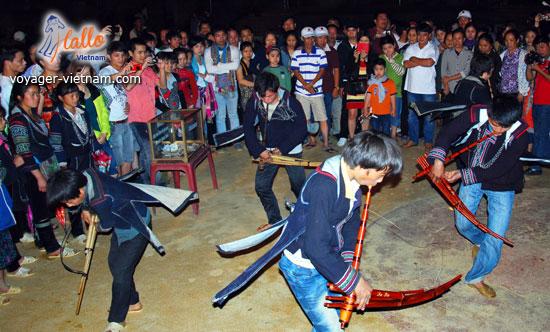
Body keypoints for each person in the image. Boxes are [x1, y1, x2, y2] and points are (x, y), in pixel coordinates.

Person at [213, 131, 403, 332]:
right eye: (380, 175)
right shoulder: (324, 186)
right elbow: (315, 247)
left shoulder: (351, 176)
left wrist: (347, 258)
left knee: (336, 316)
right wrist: (354, 280)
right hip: (302, 267)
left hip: (329, 258)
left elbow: (351, 219)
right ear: (363, 167)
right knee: (330, 327)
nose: (381, 182)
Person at [46, 167, 194, 332]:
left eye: (68, 201)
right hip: (121, 222)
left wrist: (91, 220)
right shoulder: (86, 174)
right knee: (115, 263)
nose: (68, 205)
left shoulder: (99, 200)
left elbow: (106, 226)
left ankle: (116, 321)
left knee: (121, 272)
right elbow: (91, 202)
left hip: (135, 225)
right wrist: (86, 209)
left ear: (80, 190)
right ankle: (132, 302)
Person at [428, 97, 528, 298]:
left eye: (502, 127)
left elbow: (501, 167)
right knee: (463, 223)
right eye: (493, 124)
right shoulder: (478, 113)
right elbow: (449, 132)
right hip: (472, 178)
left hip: (502, 183)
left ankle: (477, 276)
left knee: (496, 235)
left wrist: (461, 175)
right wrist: (438, 160)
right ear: (490, 113)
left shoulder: (521, 133)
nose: (497, 130)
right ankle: (482, 243)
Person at [8, 82, 79, 258]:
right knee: (40, 209)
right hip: (33, 170)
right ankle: (52, 248)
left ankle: (42, 240)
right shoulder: (17, 120)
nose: (35, 97)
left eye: (36, 93)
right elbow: (24, 151)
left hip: (43, 166)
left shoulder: (30, 115)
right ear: (19, 97)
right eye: (31, 94)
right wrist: (39, 177)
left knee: (43, 206)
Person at [243, 72, 307, 230]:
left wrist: (283, 148)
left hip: (290, 148)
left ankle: (308, 213)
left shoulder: (290, 101)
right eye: (263, 96)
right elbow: (247, 128)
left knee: (298, 184)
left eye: (270, 96)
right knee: (261, 186)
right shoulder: (256, 99)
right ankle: (275, 220)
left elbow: (301, 129)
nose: (266, 100)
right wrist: (259, 150)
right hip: (267, 150)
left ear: (277, 90)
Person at [291, 27, 333, 152]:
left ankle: (326, 143)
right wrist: (305, 85)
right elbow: (295, 70)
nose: (309, 40)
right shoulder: (297, 53)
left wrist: (311, 84)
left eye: (311, 38)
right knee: (305, 118)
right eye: (307, 38)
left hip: (316, 91)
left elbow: (322, 70)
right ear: (302, 38)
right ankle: (312, 140)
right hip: (301, 91)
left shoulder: (320, 52)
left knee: (322, 118)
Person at [125, 38, 161, 184]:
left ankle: (150, 183)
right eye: (138, 52)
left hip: (151, 115)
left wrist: (162, 68)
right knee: (149, 152)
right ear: (130, 53)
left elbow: (161, 85)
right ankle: (154, 184)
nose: (142, 55)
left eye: (144, 52)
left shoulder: (149, 70)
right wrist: (141, 68)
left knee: (151, 152)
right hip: (137, 118)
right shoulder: (127, 69)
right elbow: (128, 86)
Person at [97, 42, 135, 177]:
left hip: (125, 120)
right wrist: (121, 73)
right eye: (116, 55)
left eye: (123, 55)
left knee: (128, 159)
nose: (121, 58)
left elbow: (124, 91)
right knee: (119, 163)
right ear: (109, 57)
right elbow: (102, 81)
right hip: (113, 124)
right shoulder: (105, 71)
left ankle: (128, 188)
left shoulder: (120, 72)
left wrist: (126, 103)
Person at [403, 23, 439, 151]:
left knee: (429, 116)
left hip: (428, 89)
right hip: (412, 88)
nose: (421, 37)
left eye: (425, 35)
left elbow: (430, 62)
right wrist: (420, 61)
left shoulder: (433, 48)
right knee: (412, 115)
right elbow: (406, 64)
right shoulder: (410, 48)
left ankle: (428, 141)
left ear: (429, 36)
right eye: (419, 35)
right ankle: (413, 139)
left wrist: (414, 59)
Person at [204, 27, 241, 139]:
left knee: (233, 114)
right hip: (216, 88)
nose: (221, 38)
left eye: (223, 35)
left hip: (231, 87)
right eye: (217, 35)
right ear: (214, 37)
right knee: (221, 116)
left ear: (226, 36)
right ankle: (223, 141)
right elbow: (210, 69)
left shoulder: (234, 50)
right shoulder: (208, 51)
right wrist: (226, 67)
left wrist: (218, 66)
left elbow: (235, 66)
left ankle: (236, 139)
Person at [525, 36, 550, 175]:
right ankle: (537, 164)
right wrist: (530, 67)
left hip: (547, 103)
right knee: (538, 134)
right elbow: (530, 78)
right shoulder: (539, 61)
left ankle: (536, 165)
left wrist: (539, 69)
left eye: (543, 46)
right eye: (538, 47)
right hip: (538, 102)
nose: (540, 50)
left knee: (541, 134)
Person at [343, 34, 373, 141]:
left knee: (365, 113)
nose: (364, 43)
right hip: (353, 87)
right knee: (352, 113)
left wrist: (365, 60)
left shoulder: (373, 54)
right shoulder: (352, 53)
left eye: (366, 41)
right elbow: (347, 71)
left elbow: (375, 71)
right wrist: (355, 60)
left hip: (367, 87)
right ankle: (351, 138)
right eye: (362, 40)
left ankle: (364, 137)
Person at [315, 26, 340, 133]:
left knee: (327, 112)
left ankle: (325, 135)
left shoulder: (332, 51)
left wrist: (336, 87)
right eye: (320, 38)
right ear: (315, 39)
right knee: (313, 113)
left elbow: (336, 70)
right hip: (314, 88)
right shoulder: (310, 51)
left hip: (327, 87)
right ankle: (313, 135)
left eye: (325, 38)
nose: (323, 40)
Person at [380, 36, 405, 139]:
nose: (387, 50)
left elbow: (401, 72)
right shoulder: (381, 58)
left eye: (390, 47)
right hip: (383, 93)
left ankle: (393, 136)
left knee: (395, 115)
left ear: (394, 46)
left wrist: (391, 60)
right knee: (385, 115)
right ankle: (384, 137)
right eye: (385, 48)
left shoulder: (400, 57)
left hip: (397, 93)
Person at [363, 59, 396, 136]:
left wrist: (394, 108)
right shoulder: (371, 83)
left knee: (386, 132)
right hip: (374, 112)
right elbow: (368, 96)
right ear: (373, 70)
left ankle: (386, 147)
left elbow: (393, 96)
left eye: (381, 69)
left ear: (385, 69)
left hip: (386, 112)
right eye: (376, 69)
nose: (378, 71)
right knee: (375, 132)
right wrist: (365, 108)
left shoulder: (390, 83)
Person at [498, 29, 529, 102]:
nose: (508, 43)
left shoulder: (523, 55)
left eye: (511, 40)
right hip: (504, 92)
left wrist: (522, 92)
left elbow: (525, 75)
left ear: (517, 40)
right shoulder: (503, 55)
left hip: (516, 93)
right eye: (506, 40)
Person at [441, 29, 473, 96]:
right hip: (449, 87)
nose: (457, 41)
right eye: (454, 38)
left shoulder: (470, 54)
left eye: (459, 38)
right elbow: (443, 71)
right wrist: (446, 86)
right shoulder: (447, 52)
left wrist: (449, 79)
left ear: (464, 39)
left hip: (464, 87)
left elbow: (465, 72)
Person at [0, 47, 27, 115]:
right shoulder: (7, 87)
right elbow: (5, 114)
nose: (25, 62)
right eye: (20, 60)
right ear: (7, 63)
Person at [237, 42, 257, 111]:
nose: (249, 53)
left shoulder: (254, 63)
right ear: (241, 52)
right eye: (246, 51)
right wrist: (256, 85)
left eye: (250, 51)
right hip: (245, 95)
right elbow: (241, 81)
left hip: (255, 94)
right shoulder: (239, 65)